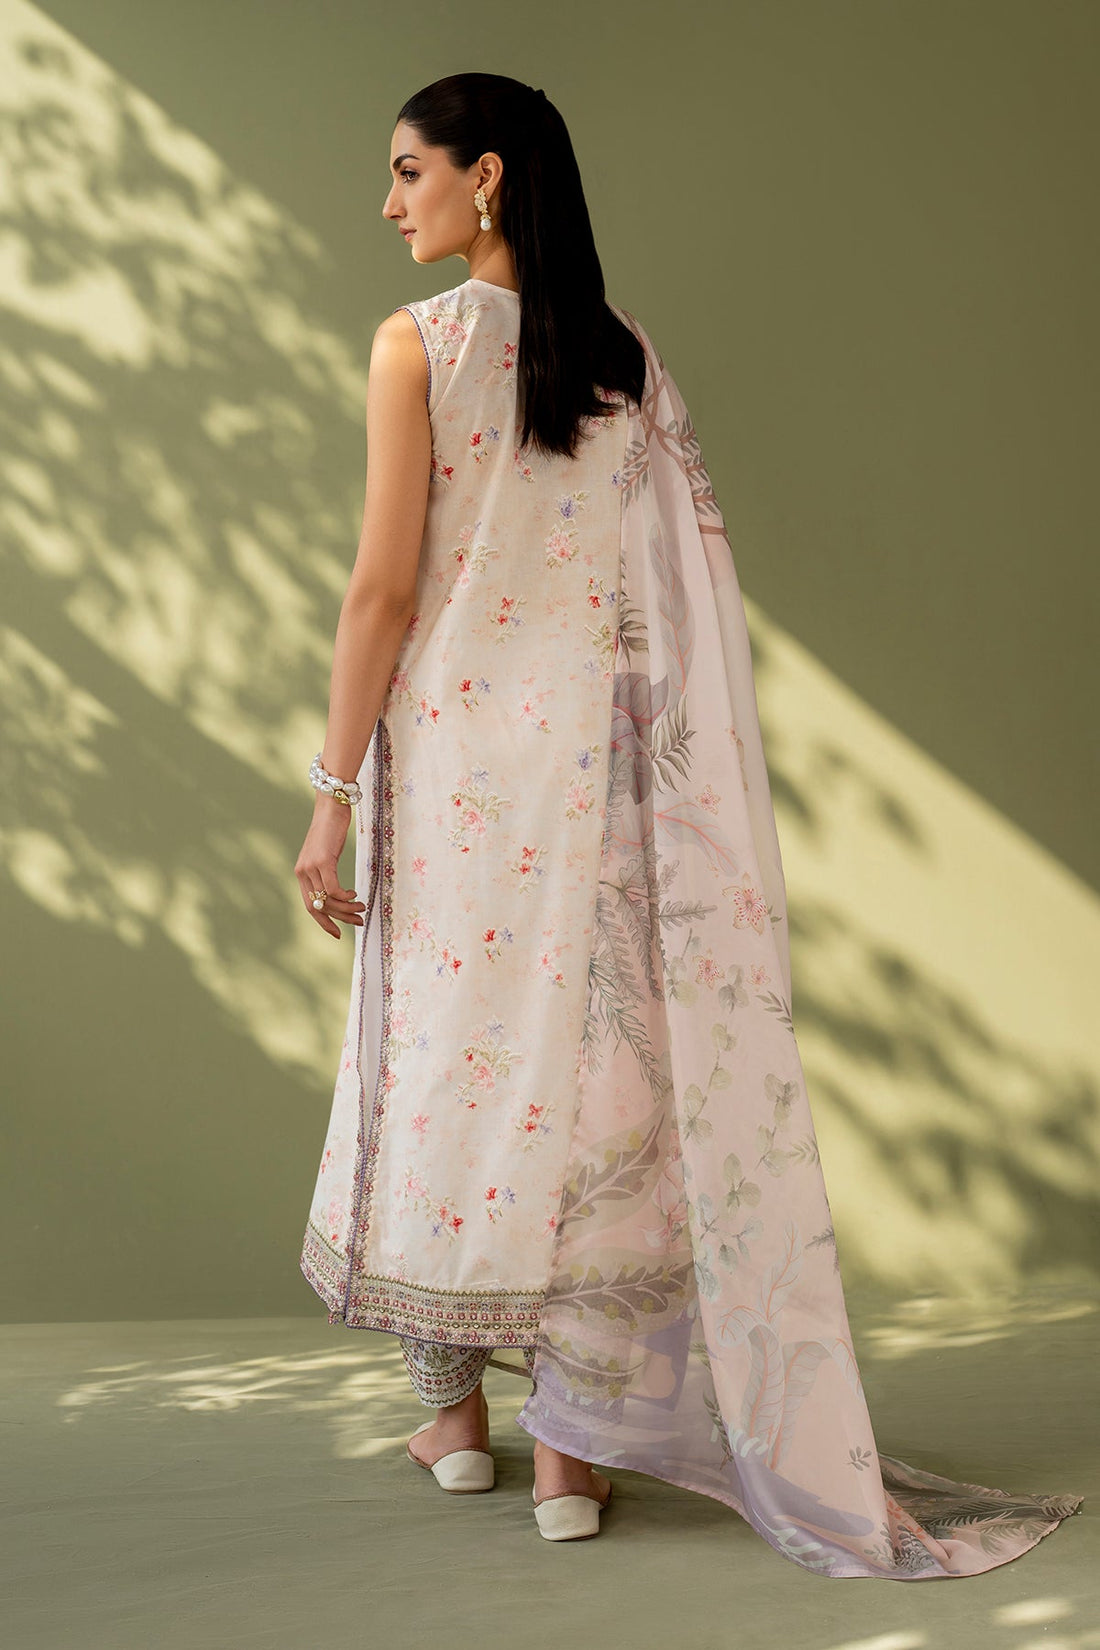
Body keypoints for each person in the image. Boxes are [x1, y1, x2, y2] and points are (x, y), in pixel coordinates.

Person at [294, 73, 1083, 1565]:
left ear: (486, 177)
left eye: (407, 171)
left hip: (455, 776)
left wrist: (331, 796)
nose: (388, 201)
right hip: (595, 783)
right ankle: (573, 1455)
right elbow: (673, 604)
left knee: (448, 1064)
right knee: (588, 1085)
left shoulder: (417, 345)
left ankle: (454, 1419)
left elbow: (384, 590)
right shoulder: (625, 357)